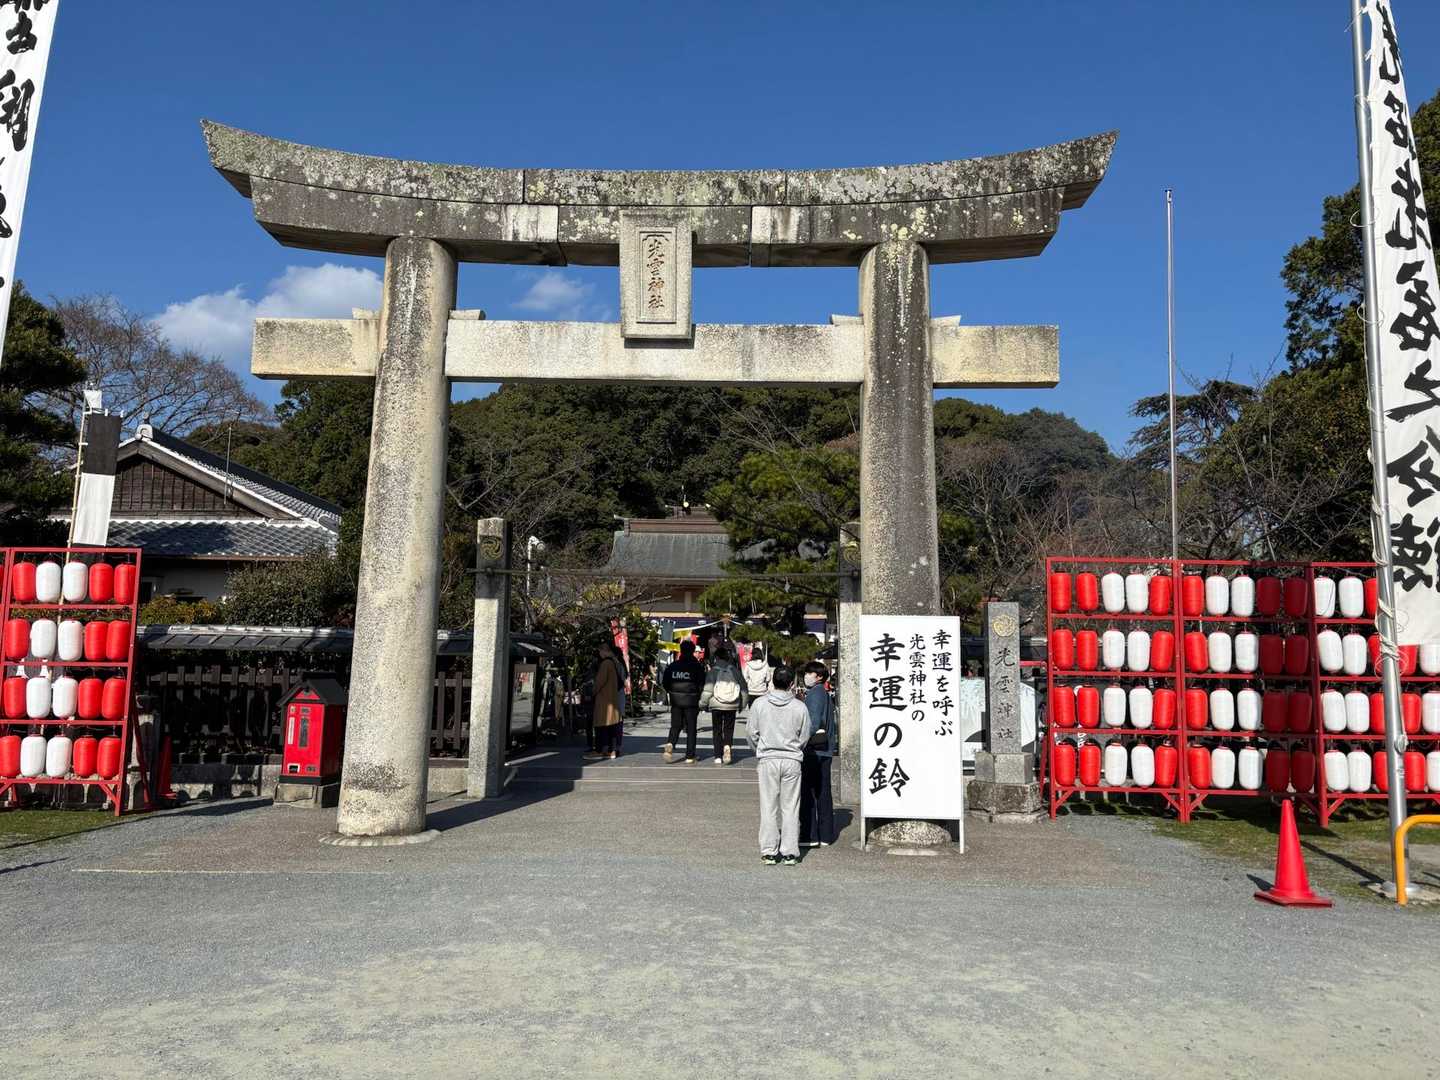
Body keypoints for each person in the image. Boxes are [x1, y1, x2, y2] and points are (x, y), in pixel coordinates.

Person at [749, 666, 810, 865]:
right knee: (790, 806)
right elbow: (805, 735)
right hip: (792, 759)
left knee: (768, 806)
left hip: (768, 758)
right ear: (792, 684)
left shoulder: (759, 704)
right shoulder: (800, 706)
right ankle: (790, 852)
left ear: (772, 681)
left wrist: (760, 750)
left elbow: (751, 733)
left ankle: (768, 851)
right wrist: (795, 749)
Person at [799, 661, 837, 847]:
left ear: (819, 676)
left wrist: (799, 742)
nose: (807, 676)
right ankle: (826, 835)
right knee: (823, 792)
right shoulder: (824, 693)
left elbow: (813, 723)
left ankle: (809, 835)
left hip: (814, 750)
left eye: (810, 673)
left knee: (808, 792)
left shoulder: (815, 694)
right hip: (825, 749)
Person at [699, 642, 747, 765]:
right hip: (732, 704)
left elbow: (708, 690)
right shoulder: (734, 670)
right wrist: (742, 704)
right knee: (729, 729)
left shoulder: (713, 671)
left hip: (716, 704)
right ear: (727, 657)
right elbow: (743, 688)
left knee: (717, 730)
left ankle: (718, 756)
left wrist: (703, 704)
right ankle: (727, 746)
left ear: (716, 658)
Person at [661, 639, 706, 763]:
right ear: (692, 651)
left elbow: (665, 682)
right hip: (692, 701)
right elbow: (702, 683)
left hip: (676, 701)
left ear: (681, 650)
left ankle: (670, 743)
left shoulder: (673, 666)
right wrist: (698, 695)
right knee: (691, 728)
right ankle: (690, 756)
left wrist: (671, 692)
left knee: (675, 725)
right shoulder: (697, 666)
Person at [585, 641, 624, 760]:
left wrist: (592, 692)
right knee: (611, 727)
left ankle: (600, 751)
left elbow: (599, 682)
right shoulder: (615, 662)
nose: (599, 654)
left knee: (601, 727)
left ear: (603, 651)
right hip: (613, 698)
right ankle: (611, 751)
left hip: (604, 700)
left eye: (600, 651)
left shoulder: (606, 664)